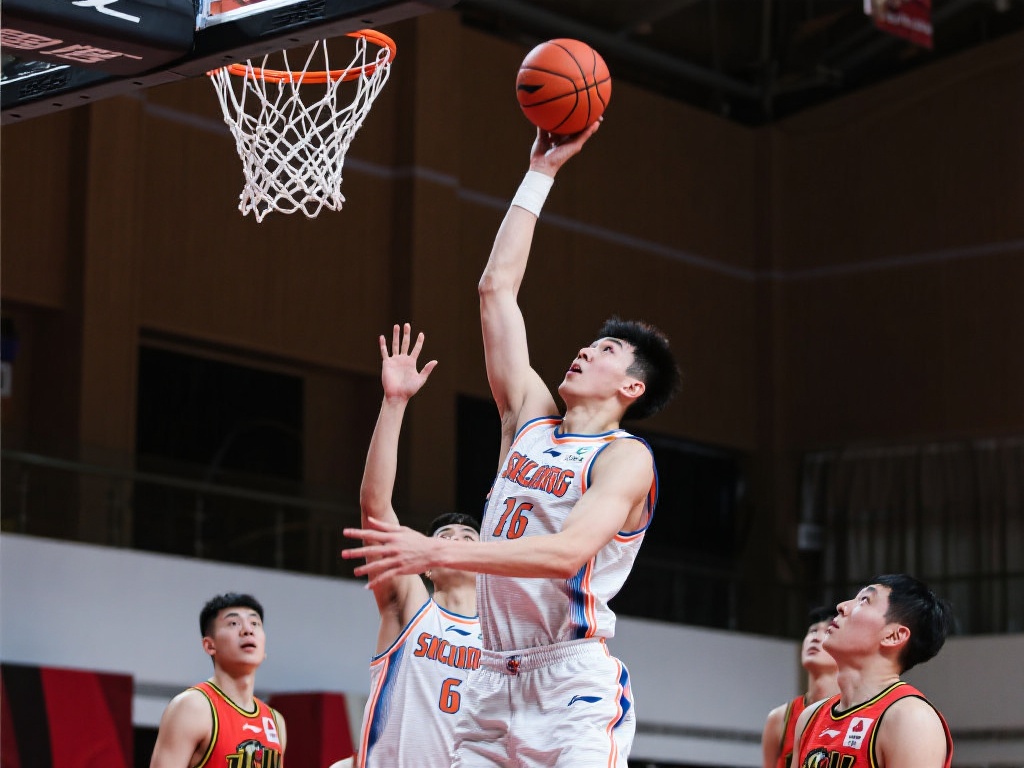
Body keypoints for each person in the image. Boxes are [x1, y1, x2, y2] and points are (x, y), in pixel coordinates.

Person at [343, 121, 682, 768]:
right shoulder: (529, 418)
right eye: (589, 343)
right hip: (490, 679)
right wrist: (540, 174)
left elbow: (566, 553)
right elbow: (495, 290)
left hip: (570, 680)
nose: (585, 350)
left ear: (632, 387)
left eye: (607, 349)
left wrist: (434, 549)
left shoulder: (624, 458)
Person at [355, 323, 482, 767]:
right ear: (425, 563)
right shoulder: (410, 606)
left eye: (469, 539)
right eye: (443, 539)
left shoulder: (503, 639)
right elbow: (375, 506)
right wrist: (394, 403)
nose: (456, 542)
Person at [790, 573, 954, 768]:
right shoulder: (809, 718)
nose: (841, 606)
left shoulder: (911, 718)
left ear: (893, 636)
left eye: (864, 600)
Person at [150, 593, 286, 768]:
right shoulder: (193, 707)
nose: (248, 630)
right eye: (234, 623)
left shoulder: (275, 722)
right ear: (209, 645)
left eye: (255, 623)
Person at [760, 606, 839, 768]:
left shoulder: (857, 713)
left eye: (827, 631)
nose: (815, 638)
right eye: (812, 631)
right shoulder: (779, 718)